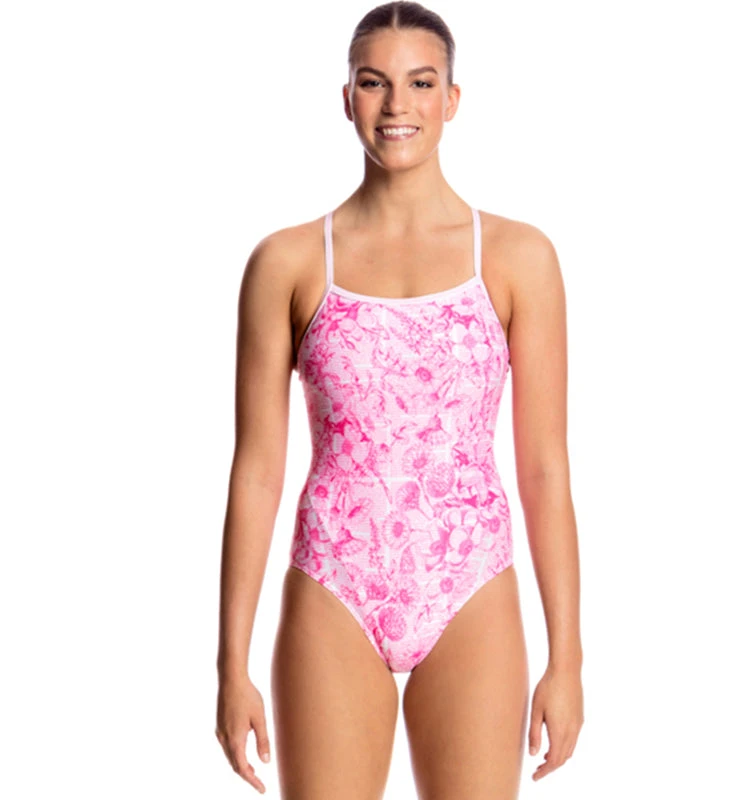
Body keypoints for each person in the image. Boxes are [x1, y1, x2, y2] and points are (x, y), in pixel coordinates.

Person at [215, 2, 583, 796]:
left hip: (470, 584)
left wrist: (568, 659)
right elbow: (256, 472)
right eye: (373, 82)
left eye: (419, 83)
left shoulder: (517, 258)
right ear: (346, 97)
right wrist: (230, 665)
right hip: (333, 583)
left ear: (452, 99)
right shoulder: (288, 263)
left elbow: (546, 469)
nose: (396, 105)